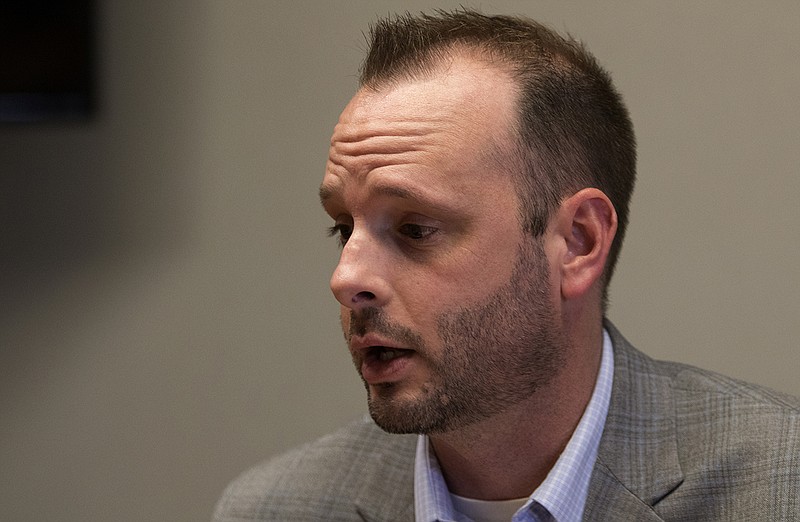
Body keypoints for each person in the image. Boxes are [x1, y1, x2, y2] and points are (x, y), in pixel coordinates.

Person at [214, 9, 799, 522]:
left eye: (415, 229)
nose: (346, 280)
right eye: (345, 229)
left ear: (576, 242)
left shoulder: (780, 486)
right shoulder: (275, 507)